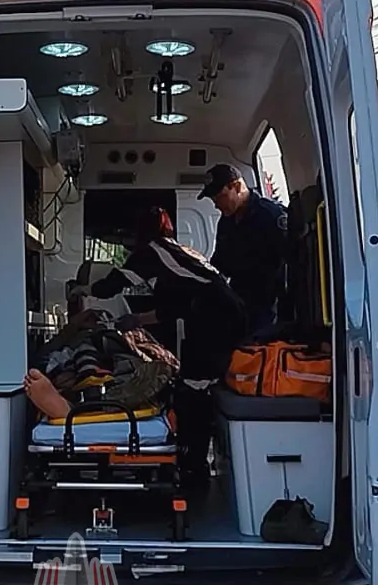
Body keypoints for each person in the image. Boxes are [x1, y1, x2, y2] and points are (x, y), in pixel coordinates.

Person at [68, 207, 246, 485]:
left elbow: (113, 284)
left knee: (194, 388)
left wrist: (84, 290)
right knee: (199, 386)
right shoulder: (181, 253)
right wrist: (137, 319)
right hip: (228, 315)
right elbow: (174, 306)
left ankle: (193, 463)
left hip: (215, 320)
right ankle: (194, 461)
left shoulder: (152, 252)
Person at [198, 162, 289, 335]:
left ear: (237, 186)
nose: (216, 204)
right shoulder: (226, 223)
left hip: (269, 308)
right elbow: (219, 264)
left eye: (219, 197)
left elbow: (290, 265)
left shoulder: (271, 216)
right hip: (240, 304)